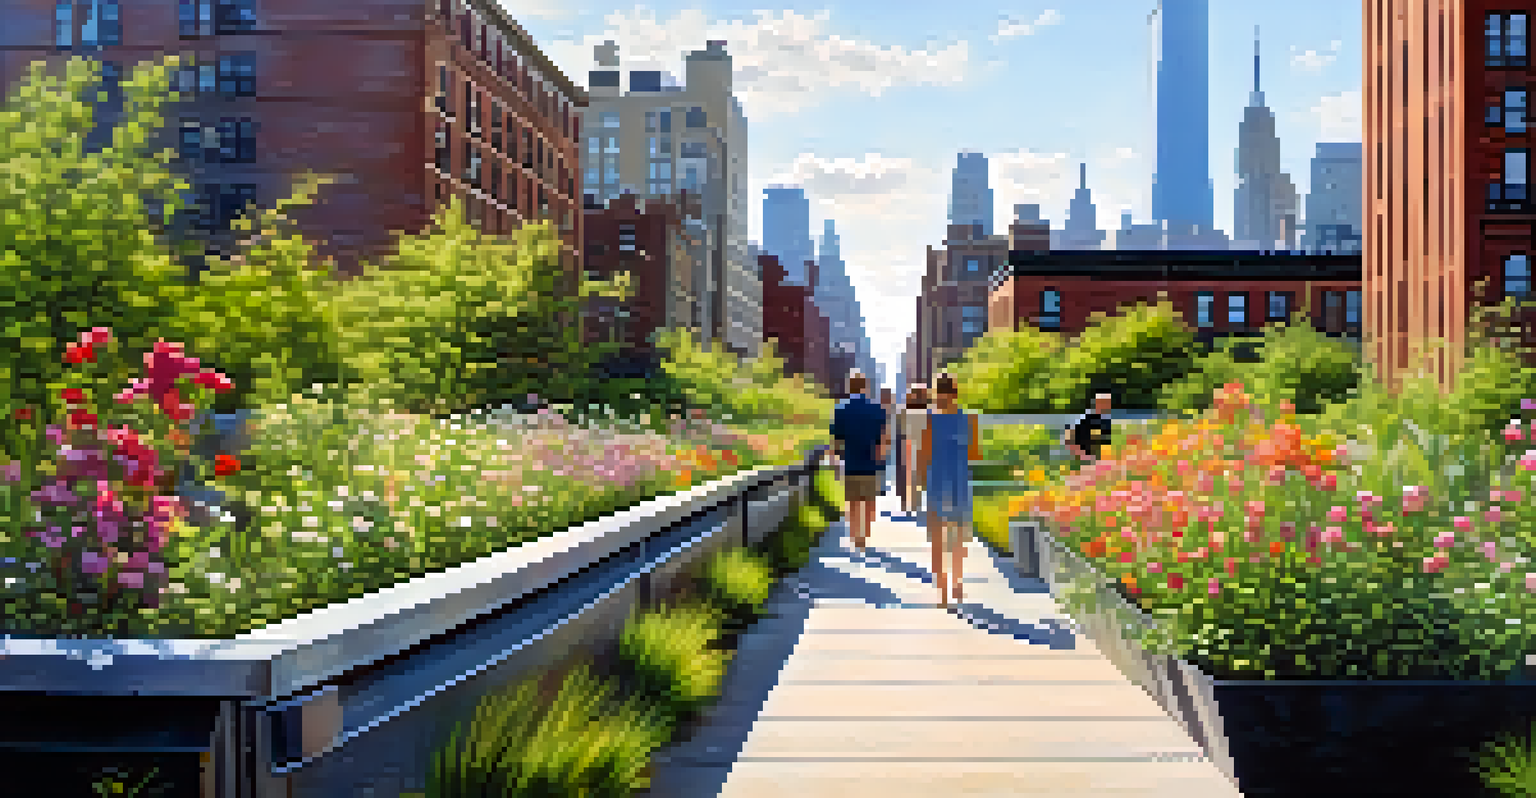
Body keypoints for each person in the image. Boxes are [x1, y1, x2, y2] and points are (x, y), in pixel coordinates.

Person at [915, 373, 979, 609]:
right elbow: (975, 454)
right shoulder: (969, 419)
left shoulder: (929, 418)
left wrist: (920, 482)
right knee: (958, 537)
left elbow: (923, 454)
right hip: (960, 481)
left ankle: (942, 593)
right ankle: (958, 582)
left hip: (937, 482)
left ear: (934, 392)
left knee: (937, 540)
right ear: (955, 392)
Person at [830, 372, 888, 554]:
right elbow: (883, 439)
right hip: (871, 462)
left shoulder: (841, 409)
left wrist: (835, 460)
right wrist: (881, 461)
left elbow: (836, 441)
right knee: (869, 501)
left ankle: (855, 537)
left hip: (851, 462)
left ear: (849, 386)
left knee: (853, 502)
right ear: (866, 386)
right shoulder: (877, 408)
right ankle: (865, 535)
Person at [902, 386, 930, 515]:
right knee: (925, 477)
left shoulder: (907, 412)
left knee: (912, 478)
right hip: (925, 445)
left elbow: (904, 432)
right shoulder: (929, 412)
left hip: (911, 446)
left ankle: (913, 505)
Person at [1064, 393, 1114, 462]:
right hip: (1082, 453)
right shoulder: (1086, 417)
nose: (1106, 406)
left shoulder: (1107, 420)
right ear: (1096, 403)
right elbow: (1070, 431)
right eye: (1103, 403)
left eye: (1107, 403)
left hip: (1097, 456)